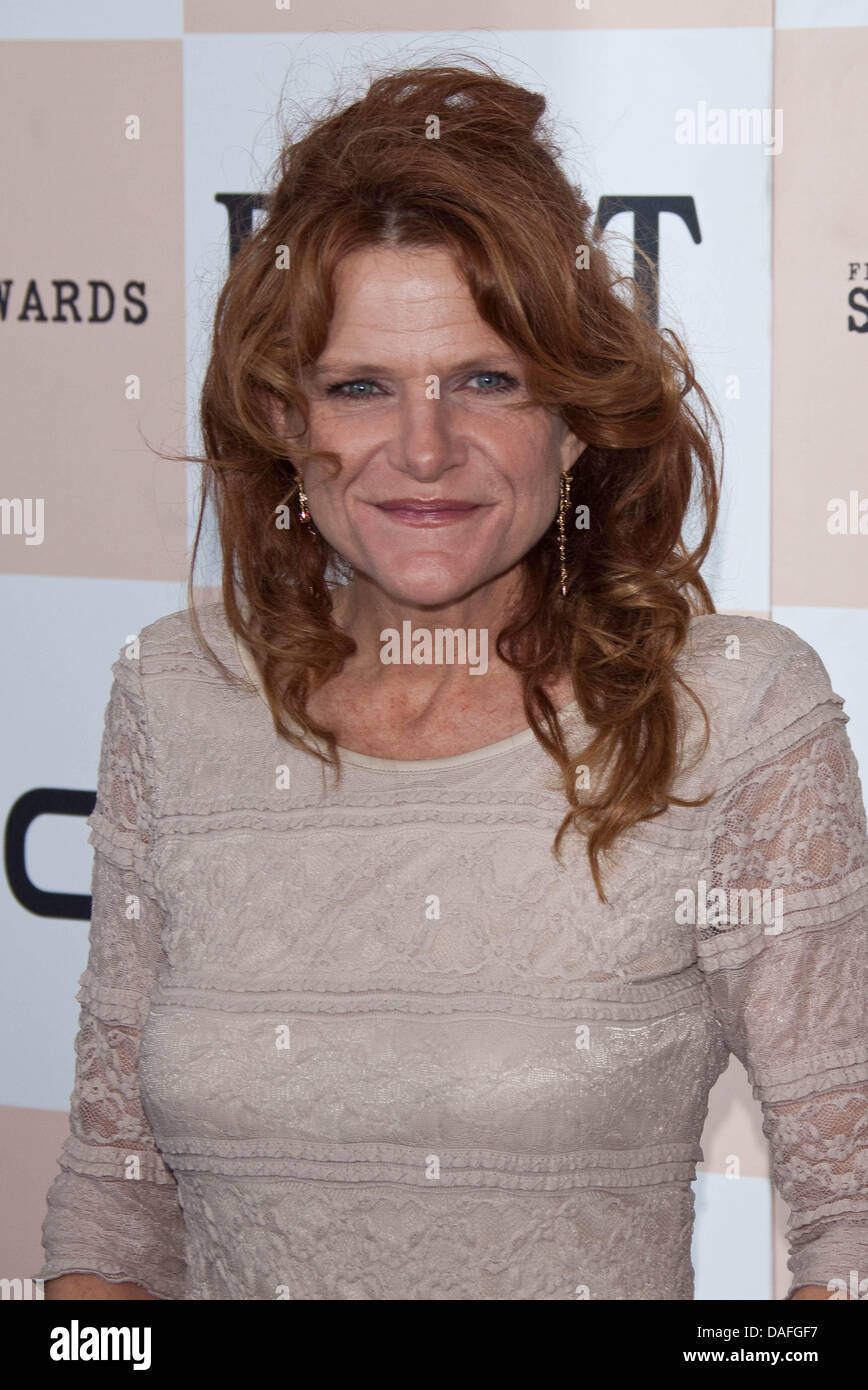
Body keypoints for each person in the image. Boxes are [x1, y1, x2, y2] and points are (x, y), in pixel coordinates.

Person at [39, 60, 867, 1300]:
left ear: (576, 414)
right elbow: (110, 1214)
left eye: (487, 380)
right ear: (284, 417)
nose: (424, 449)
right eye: (360, 386)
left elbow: (852, 1226)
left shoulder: (732, 713)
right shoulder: (173, 692)